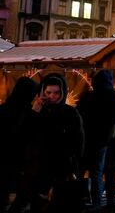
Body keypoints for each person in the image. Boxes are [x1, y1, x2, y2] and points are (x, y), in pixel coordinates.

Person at [17, 73, 84, 213]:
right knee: (39, 205)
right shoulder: (36, 111)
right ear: (42, 91)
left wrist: (73, 165)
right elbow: (23, 134)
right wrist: (34, 112)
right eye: (48, 92)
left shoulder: (70, 113)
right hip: (38, 168)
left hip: (62, 167)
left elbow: (78, 141)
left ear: (62, 92)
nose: (52, 96)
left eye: (56, 93)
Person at [77, 70, 115, 211]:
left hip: (85, 140)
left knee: (81, 171)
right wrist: (109, 139)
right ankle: (96, 203)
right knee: (97, 173)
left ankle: (78, 200)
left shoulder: (87, 96)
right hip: (102, 141)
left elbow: (78, 117)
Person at [0, 77, 38, 211]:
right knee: (22, 192)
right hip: (19, 156)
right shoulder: (28, 111)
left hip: (4, 155)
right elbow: (25, 132)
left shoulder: (4, 108)